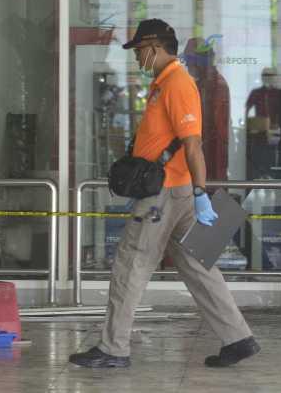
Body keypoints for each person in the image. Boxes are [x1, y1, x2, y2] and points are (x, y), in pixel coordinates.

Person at [69, 19, 259, 369]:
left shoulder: (177, 83)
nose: (137, 57)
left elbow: (192, 143)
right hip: (176, 190)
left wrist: (201, 191)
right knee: (198, 266)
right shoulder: (165, 83)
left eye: (139, 50)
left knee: (131, 264)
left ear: (155, 47)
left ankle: (113, 348)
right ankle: (238, 339)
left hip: (166, 193)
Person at [182, 36, 230, 181]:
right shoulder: (202, 85)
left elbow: (216, 128)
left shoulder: (217, 86)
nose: (187, 64)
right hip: (202, 150)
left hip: (212, 153)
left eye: (189, 60)